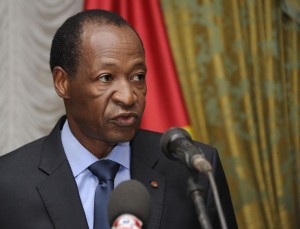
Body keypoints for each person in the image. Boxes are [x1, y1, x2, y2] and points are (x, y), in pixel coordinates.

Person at [0, 9, 237, 229]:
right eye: (105, 78)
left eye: (138, 76)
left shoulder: (192, 169)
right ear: (63, 83)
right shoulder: (8, 182)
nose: (128, 96)